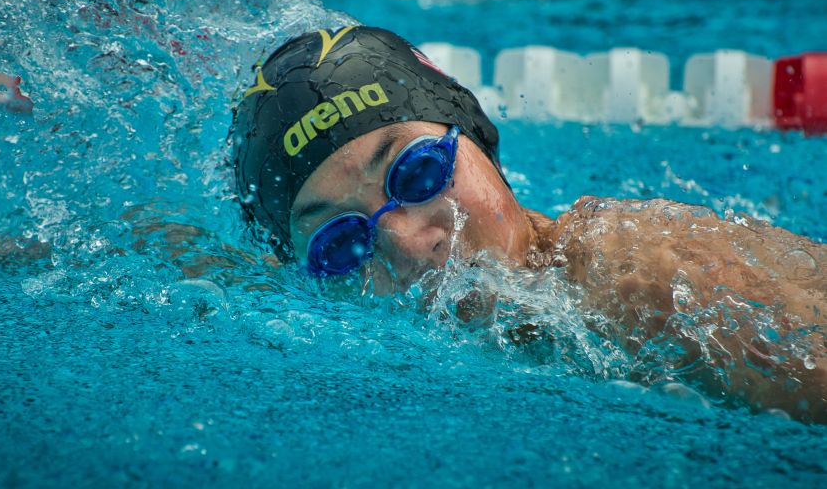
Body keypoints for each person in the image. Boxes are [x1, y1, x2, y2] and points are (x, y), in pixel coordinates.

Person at [229, 25, 826, 422]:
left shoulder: (644, 281)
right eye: (341, 243)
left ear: (481, 143)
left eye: (415, 174)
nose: (410, 245)